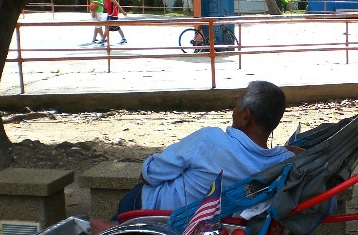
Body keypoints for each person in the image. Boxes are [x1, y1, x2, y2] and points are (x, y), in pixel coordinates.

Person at [115, 80, 294, 216]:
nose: (232, 111)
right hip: (215, 225)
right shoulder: (282, 163)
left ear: (246, 117)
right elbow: (293, 153)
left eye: (235, 105)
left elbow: (149, 175)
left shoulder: (209, 142)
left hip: (154, 210)